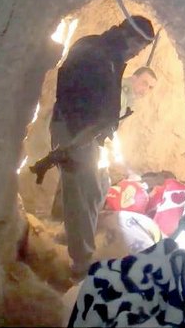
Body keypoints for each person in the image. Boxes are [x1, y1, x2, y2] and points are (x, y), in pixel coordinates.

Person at [49, 15, 155, 279]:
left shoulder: (113, 58)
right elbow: (68, 90)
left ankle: (76, 236)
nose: (138, 52)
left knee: (98, 187)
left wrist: (104, 128)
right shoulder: (93, 50)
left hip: (92, 135)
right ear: (129, 36)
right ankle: (81, 264)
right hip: (75, 131)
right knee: (80, 193)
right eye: (139, 46)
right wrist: (79, 132)